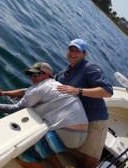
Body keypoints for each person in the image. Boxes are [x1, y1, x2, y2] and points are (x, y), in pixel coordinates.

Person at [0, 62, 89, 168]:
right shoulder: (54, 84)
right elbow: (26, 91)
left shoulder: (41, 88)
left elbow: (15, 108)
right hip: (80, 135)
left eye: (36, 74)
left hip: (64, 134)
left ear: (46, 75)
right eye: (31, 74)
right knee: (41, 143)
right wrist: (3, 93)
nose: (33, 77)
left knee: (24, 156)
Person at [55, 39, 113, 168]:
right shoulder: (64, 73)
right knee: (69, 147)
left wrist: (77, 90)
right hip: (76, 118)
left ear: (84, 54)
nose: (73, 53)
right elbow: (52, 85)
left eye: (77, 51)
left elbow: (108, 91)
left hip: (94, 119)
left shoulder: (90, 68)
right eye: (71, 49)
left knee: (90, 163)